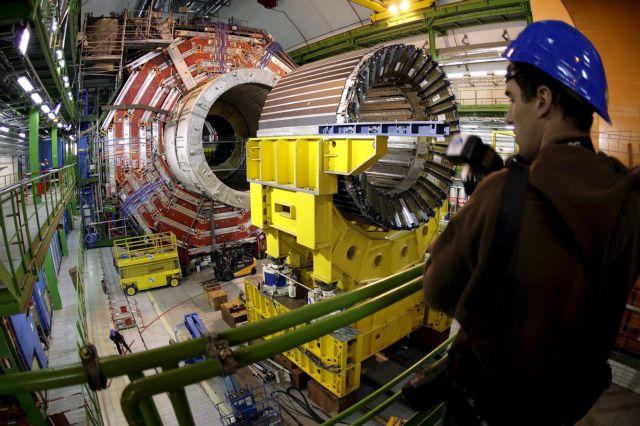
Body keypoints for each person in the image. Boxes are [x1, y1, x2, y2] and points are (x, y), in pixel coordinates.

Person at [421, 20, 640, 425]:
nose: (508, 116)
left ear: (542, 100)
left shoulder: (503, 194)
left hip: (488, 411)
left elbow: (437, 289)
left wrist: (474, 213)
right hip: (563, 408)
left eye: (510, 99)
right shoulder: (628, 199)